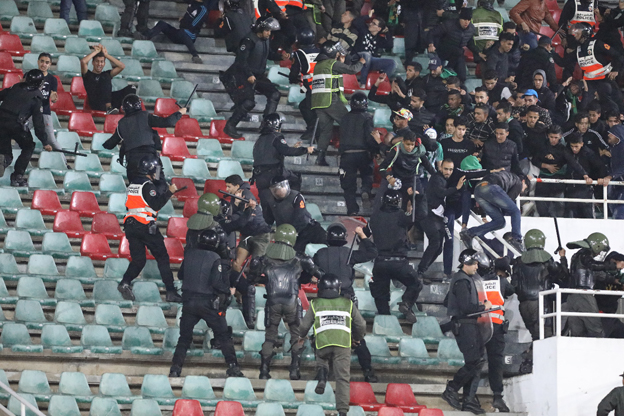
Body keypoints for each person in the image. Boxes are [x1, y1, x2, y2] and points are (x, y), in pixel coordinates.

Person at [169, 229, 244, 378]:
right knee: (223, 335)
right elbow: (216, 282)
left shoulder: (189, 254)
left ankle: (175, 368)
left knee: (184, 338)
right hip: (208, 303)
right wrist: (229, 290)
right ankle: (233, 367)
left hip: (189, 302)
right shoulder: (215, 257)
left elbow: (181, 274)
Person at [248, 224, 320, 380]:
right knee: (296, 335)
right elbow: (318, 273)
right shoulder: (300, 258)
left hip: (273, 300)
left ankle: (264, 370)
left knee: (270, 337)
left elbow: (252, 278)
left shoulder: (264, 259)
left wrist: (265, 280)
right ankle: (294, 370)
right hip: (291, 301)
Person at [313, 224, 378, 381]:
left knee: (322, 334)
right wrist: (362, 235)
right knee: (356, 336)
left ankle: (321, 373)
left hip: (325, 301)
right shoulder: (349, 253)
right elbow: (372, 252)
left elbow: (311, 272)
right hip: (346, 300)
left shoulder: (320, 254)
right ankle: (368, 371)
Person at [294, 274, 366, 416]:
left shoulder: (315, 304)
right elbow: (361, 324)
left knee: (322, 359)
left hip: (323, 342)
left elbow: (303, 326)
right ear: (338, 289)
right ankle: (343, 411)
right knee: (342, 378)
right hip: (343, 344)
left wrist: (301, 337)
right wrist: (356, 338)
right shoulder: (348, 303)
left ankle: (322, 376)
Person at [117, 155, 183, 303]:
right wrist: (169, 192)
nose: (156, 173)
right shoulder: (148, 185)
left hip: (130, 225)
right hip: (145, 225)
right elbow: (156, 204)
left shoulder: (133, 184)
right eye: (155, 170)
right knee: (162, 258)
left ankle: (125, 282)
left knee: (139, 260)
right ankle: (171, 292)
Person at [441, 249, 492, 414]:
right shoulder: (462, 281)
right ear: (466, 263)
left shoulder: (463, 279)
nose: (477, 266)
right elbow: (466, 308)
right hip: (465, 325)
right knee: (473, 362)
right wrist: (484, 306)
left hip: (469, 324)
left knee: (477, 362)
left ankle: (468, 400)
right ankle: (452, 389)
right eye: (475, 263)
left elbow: (447, 301)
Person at [219, 175, 272, 328]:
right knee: (236, 264)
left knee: (256, 266)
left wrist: (238, 206)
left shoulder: (245, 196)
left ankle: (252, 297)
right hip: (246, 235)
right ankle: (241, 293)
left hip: (260, 235)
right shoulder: (236, 196)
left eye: (229, 186)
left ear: (236, 186)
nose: (227, 189)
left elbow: (242, 219)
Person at [221, 18, 288, 139]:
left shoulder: (265, 40)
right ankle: (230, 125)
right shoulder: (248, 41)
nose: (269, 33)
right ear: (260, 29)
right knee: (248, 102)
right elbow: (240, 61)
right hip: (242, 74)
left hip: (258, 75)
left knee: (274, 94)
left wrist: (280, 56)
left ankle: (266, 125)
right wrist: (248, 75)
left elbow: (268, 54)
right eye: (267, 30)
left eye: (270, 31)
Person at [102, 95, 184, 192]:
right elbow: (168, 122)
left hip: (133, 165)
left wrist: (103, 144)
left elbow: (110, 144)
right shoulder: (146, 116)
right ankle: (159, 199)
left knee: (136, 190)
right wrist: (180, 112)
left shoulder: (122, 123)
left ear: (124, 108)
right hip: (153, 161)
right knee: (159, 184)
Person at [369, 189, 423, 323]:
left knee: (381, 296)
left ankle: (384, 321)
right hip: (399, 262)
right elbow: (421, 215)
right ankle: (406, 304)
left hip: (380, 261)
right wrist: (417, 199)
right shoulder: (401, 216)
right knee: (415, 283)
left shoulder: (375, 216)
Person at [252, 113, 315, 222]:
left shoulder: (259, 140)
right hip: (274, 176)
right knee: (295, 178)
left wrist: (292, 148)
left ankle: (267, 228)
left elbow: (272, 153)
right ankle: (291, 205)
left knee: (266, 208)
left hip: (260, 178)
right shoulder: (276, 137)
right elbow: (285, 151)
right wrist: (305, 150)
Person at [311, 41, 366, 166]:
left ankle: (320, 158)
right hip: (330, 100)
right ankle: (348, 154)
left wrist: (340, 61)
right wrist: (361, 62)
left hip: (318, 103)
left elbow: (335, 73)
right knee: (349, 123)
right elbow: (352, 70)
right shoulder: (332, 63)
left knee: (326, 131)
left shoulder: (320, 64)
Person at [512, 229, 568, 341]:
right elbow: (563, 273)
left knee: (535, 335)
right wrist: (562, 258)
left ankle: (531, 356)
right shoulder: (547, 260)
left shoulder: (518, 261)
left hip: (524, 304)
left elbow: (514, 284)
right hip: (541, 304)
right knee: (545, 336)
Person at [0, 70, 52, 186]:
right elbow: (38, 123)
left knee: (5, 153)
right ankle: (17, 176)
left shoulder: (15, 87)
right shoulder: (36, 97)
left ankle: (4, 161)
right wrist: (45, 141)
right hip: (16, 125)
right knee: (29, 146)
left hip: (1, 122)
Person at [418, 159, 466, 281]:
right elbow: (441, 193)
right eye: (446, 169)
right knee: (435, 243)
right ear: (440, 168)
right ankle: (419, 271)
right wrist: (457, 187)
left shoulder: (443, 179)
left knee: (438, 247)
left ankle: (421, 271)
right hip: (428, 214)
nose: (448, 172)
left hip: (435, 216)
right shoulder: (436, 178)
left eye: (450, 169)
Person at [565, 232, 617, 337]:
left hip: (571, 296)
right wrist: (609, 266)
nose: (599, 254)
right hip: (584, 295)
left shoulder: (578, 256)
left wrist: (614, 279)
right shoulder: (585, 254)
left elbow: (596, 273)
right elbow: (594, 266)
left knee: (577, 332)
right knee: (596, 328)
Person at [460, 170, 526, 251]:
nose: (522, 191)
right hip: (491, 187)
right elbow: (509, 201)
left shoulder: (505, 176)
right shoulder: (518, 182)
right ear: (523, 181)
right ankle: (517, 239)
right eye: (525, 188)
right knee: (515, 211)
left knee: (500, 222)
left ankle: (469, 233)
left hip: (478, 190)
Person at [533, 125, 590, 217]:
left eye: (556, 137)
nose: (553, 140)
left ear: (560, 136)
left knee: (559, 205)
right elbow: (534, 160)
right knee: (540, 203)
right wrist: (546, 165)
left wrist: (584, 175)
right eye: (551, 137)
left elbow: (573, 162)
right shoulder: (541, 146)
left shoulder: (563, 150)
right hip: (543, 177)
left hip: (558, 178)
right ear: (548, 136)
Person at [482, 257, 515, 412]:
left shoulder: (480, 279)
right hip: (495, 327)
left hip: (479, 325)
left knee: (476, 361)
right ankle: (497, 396)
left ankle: (469, 396)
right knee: (496, 362)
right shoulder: (502, 282)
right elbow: (511, 291)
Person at [338, 92, 378, 215]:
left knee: (348, 186)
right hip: (363, 153)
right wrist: (375, 151)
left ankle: (352, 210)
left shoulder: (344, 118)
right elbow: (369, 137)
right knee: (367, 174)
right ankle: (365, 189)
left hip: (346, 155)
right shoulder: (367, 118)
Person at [571, 23, 624, 114]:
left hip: (606, 78)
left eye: (577, 32)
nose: (574, 35)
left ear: (584, 33)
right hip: (590, 82)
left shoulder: (597, 44)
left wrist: (615, 70)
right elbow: (564, 62)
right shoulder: (578, 49)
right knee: (587, 106)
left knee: (617, 101)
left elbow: (618, 55)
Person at [137, 0, 210, 63]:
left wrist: (182, 21)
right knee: (162, 24)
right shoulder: (191, 4)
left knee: (183, 33)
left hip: (190, 35)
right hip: (180, 32)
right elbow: (184, 23)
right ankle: (146, 36)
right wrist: (183, 22)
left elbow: (192, 26)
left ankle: (195, 55)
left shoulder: (203, 10)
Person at [266, 177, 328, 252]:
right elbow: (268, 218)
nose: (278, 191)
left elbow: (299, 215)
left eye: (280, 188)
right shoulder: (271, 201)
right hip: (287, 234)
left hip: (306, 228)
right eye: (275, 189)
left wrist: (293, 231)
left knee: (325, 240)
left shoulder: (296, 197)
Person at [27, 54, 65, 166]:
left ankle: (64, 163)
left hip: (44, 112)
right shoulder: (30, 75)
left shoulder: (52, 79)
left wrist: (53, 98)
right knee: (20, 136)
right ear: (38, 62)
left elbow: (54, 95)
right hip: (28, 113)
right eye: (42, 61)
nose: (44, 64)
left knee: (52, 141)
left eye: (47, 62)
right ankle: (11, 161)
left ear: (50, 65)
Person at [427, 8, 481, 82]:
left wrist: (478, 52)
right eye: (464, 19)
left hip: (457, 54)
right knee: (459, 51)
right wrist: (431, 44)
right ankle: (447, 69)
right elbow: (431, 33)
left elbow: (470, 42)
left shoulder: (471, 29)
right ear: (459, 19)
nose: (466, 22)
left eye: (468, 20)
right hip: (443, 49)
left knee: (462, 77)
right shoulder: (449, 25)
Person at [80, 45, 135, 114]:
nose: (99, 64)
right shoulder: (88, 75)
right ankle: (108, 108)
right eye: (97, 61)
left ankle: (129, 109)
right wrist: (96, 52)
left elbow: (122, 66)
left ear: (104, 63)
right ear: (93, 63)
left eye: (102, 62)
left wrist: (106, 55)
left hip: (111, 102)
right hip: (97, 104)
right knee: (105, 78)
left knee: (132, 88)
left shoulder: (106, 74)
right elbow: (83, 62)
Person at [564, 132, 608, 218]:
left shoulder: (589, 154)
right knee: (570, 216)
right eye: (572, 146)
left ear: (582, 144)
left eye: (576, 146)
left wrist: (598, 178)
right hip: (570, 189)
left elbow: (600, 167)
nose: (574, 149)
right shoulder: (567, 151)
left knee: (588, 216)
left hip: (585, 189)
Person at [289, 28, 320, 141]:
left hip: (312, 87)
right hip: (323, 85)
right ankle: (313, 131)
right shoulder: (319, 51)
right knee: (307, 107)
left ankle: (313, 131)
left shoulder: (299, 53)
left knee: (306, 107)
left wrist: (292, 79)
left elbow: (294, 72)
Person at [351, 17, 397, 87]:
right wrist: (368, 16)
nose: (370, 24)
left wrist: (387, 32)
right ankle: (363, 84)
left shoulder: (379, 39)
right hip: (357, 57)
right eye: (371, 22)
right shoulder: (364, 30)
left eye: (374, 23)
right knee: (366, 54)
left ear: (379, 29)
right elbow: (356, 20)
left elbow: (390, 45)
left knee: (392, 63)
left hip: (370, 61)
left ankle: (379, 84)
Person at [604, 125, 624, 219]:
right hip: (616, 184)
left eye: (611, 134)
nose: (609, 136)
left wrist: (610, 176)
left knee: (619, 211)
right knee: (612, 205)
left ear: (617, 135)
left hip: (619, 183)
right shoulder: (614, 147)